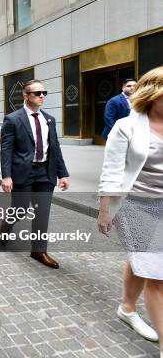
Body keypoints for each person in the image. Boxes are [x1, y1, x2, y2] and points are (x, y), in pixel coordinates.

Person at [98, 67, 163, 355]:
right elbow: (111, 171)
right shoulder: (126, 126)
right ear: (154, 93)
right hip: (137, 205)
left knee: (142, 262)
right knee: (156, 276)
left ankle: (126, 307)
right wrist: (104, 211)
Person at [0, 79, 70, 269]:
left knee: (42, 212)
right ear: (26, 96)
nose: (42, 96)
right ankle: (5, 228)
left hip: (45, 172)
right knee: (20, 209)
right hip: (23, 172)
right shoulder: (13, 119)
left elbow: (55, 147)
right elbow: (6, 149)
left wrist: (63, 174)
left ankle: (38, 250)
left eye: (43, 93)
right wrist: (6, 176)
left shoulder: (49, 119)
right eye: (37, 93)